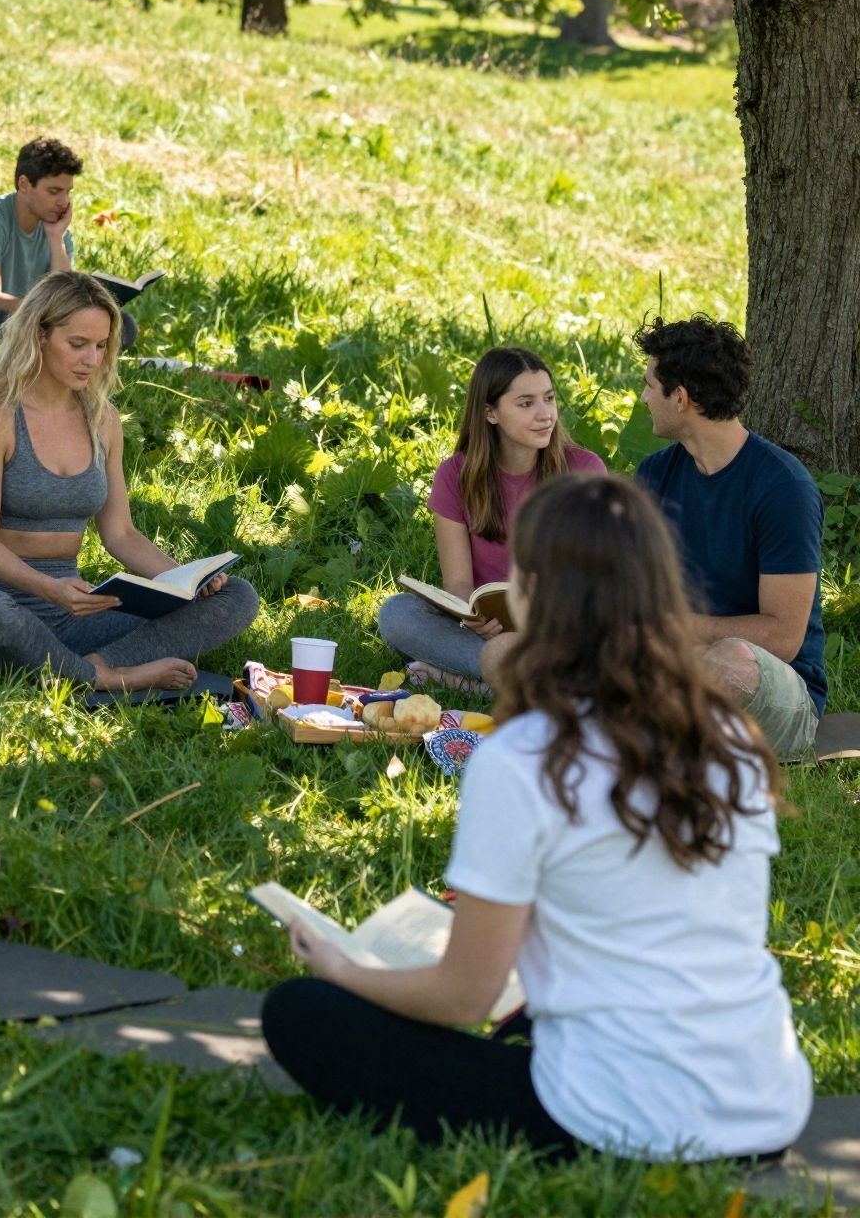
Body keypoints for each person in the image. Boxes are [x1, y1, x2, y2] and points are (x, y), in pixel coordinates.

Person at [263, 473, 812, 1163]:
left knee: (302, 1014)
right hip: (765, 1103)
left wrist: (343, 971)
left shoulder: (525, 756)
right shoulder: (727, 737)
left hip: (628, 1121)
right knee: (525, 1013)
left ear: (533, 595)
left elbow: (465, 996)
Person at [0, 271, 258, 692]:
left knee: (236, 596)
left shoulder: (103, 419)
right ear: (40, 335)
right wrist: (50, 589)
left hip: (75, 614)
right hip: (2, 602)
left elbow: (121, 534)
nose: (91, 360)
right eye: (77, 344)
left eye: (100, 346)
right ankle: (106, 677)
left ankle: (95, 667)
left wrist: (187, 580)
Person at [634, 315, 826, 762]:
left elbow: (783, 637)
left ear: (680, 397)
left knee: (730, 661)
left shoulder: (783, 487)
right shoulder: (655, 475)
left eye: (649, 385)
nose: (643, 397)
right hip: (671, 664)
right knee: (511, 651)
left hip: (771, 686)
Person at [377, 347, 605, 688]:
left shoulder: (584, 470)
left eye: (549, 399)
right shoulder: (455, 475)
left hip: (561, 629)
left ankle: (475, 682)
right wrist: (473, 619)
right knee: (398, 614)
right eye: (526, 403)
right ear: (490, 413)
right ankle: (527, 679)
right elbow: (458, 584)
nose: (545, 414)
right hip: (489, 633)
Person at [0, 136, 137, 349]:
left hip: (29, 320)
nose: (63, 202)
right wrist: (51, 314)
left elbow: (63, 298)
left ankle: (62, 350)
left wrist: (56, 239)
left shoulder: (58, 232)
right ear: (24, 184)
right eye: (54, 191)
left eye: (67, 192)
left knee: (121, 324)